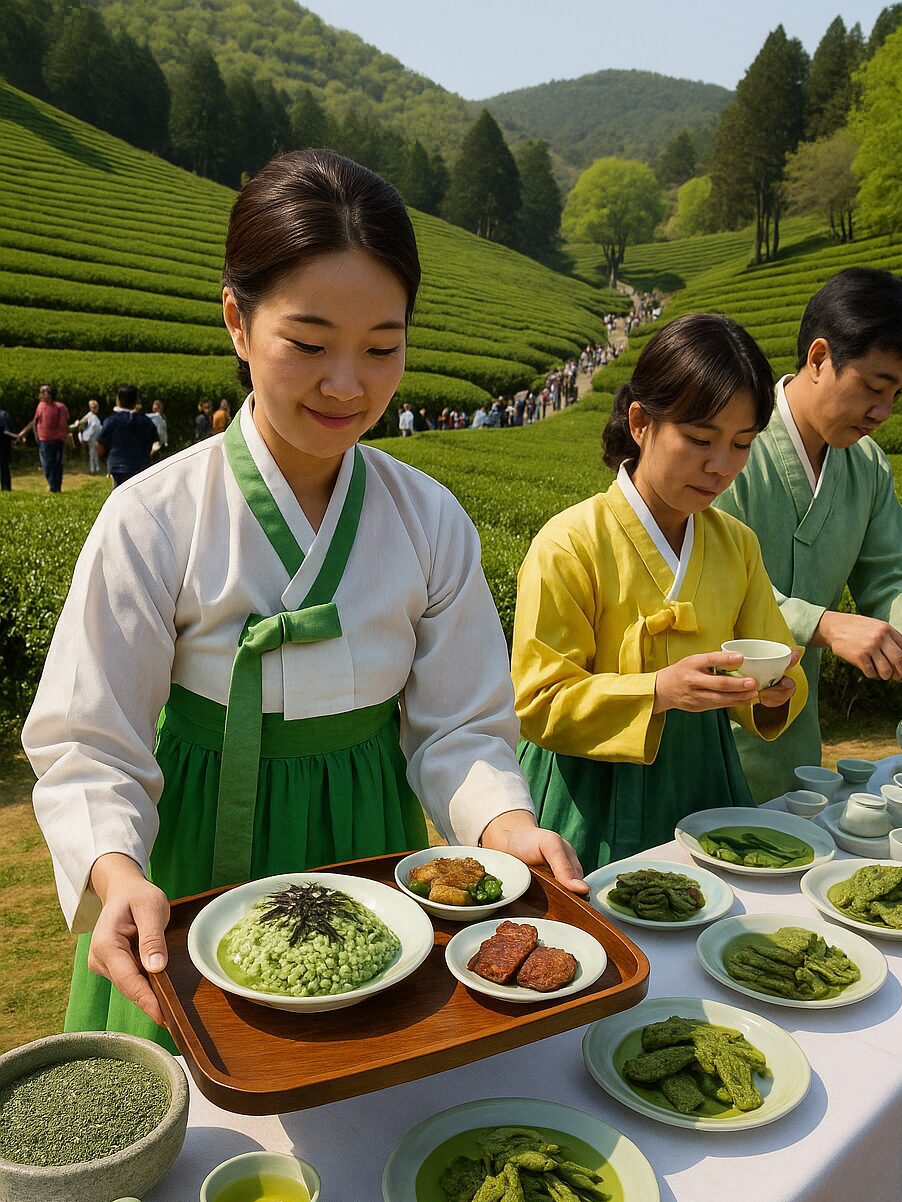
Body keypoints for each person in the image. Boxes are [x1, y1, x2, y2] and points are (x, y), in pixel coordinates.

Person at [23, 148, 583, 1050]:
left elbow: (461, 728)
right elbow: (91, 740)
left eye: (382, 349)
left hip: (365, 837)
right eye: (311, 344)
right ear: (238, 323)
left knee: (362, 1100)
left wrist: (508, 827)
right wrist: (116, 872)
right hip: (198, 846)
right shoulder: (154, 517)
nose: (347, 384)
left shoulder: (427, 518)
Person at [512, 313, 807, 873]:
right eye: (699, 439)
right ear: (642, 422)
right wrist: (657, 692)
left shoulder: (736, 545)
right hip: (587, 787)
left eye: (741, 445)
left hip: (702, 778)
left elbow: (774, 659)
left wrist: (772, 692)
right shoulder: (570, 543)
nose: (721, 467)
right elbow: (538, 702)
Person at [715, 267, 902, 804]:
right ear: (819, 358)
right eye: (873, 386)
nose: (883, 412)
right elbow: (711, 585)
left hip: (792, 725)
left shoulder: (866, 466)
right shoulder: (732, 448)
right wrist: (822, 624)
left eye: (898, 392)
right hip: (709, 717)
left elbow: (894, 573)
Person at [96, 385, 159, 487]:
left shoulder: (111, 421)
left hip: (118, 466)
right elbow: (154, 444)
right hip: (141, 466)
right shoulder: (146, 422)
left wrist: (106, 459)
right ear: (136, 401)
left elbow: (100, 445)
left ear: (118, 400)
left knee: (120, 496)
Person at [16, 385, 69, 492]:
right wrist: (23, 433)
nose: (42, 395)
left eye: (45, 392)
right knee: (47, 465)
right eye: (41, 392)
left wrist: (63, 436)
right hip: (44, 440)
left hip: (58, 440)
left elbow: (64, 423)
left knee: (57, 465)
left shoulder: (60, 407)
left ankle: (56, 487)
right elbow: (34, 422)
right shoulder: (40, 406)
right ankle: (52, 485)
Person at [0, 402, 15, 491]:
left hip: (3, 443)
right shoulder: (5, 414)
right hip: (5, 444)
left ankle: (6, 487)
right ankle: (6, 487)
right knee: (4, 467)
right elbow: (10, 429)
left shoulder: (4, 414)